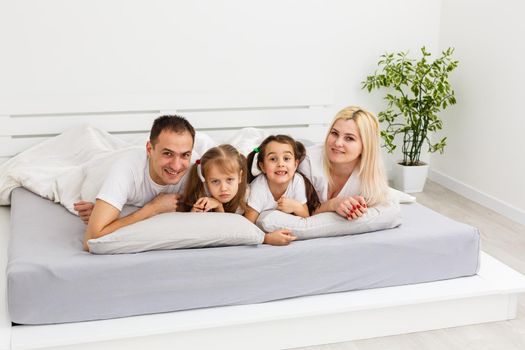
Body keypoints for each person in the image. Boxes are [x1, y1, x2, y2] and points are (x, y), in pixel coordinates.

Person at [80, 115, 196, 250]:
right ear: (149, 149)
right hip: (93, 172)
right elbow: (91, 240)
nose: (176, 166)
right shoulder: (126, 170)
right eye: (168, 153)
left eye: (185, 155)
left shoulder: (194, 170)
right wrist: (153, 208)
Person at [299, 106, 389, 219]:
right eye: (334, 133)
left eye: (349, 138)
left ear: (365, 146)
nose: (337, 143)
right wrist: (333, 204)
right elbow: (300, 213)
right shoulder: (306, 163)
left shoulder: (370, 178)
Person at [245, 135, 320, 246]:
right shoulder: (258, 188)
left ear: (295, 165)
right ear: (263, 167)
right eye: (273, 159)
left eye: (286, 158)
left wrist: (296, 206)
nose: (281, 164)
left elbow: (306, 217)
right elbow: (248, 227)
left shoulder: (297, 181)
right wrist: (267, 238)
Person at [183, 144, 248, 214]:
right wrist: (192, 214)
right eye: (215, 181)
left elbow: (227, 225)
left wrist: (219, 207)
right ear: (205, 181)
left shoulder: (246, 197)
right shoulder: (199, 195)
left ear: (240, 177)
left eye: (229, 179)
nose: (223, 188)